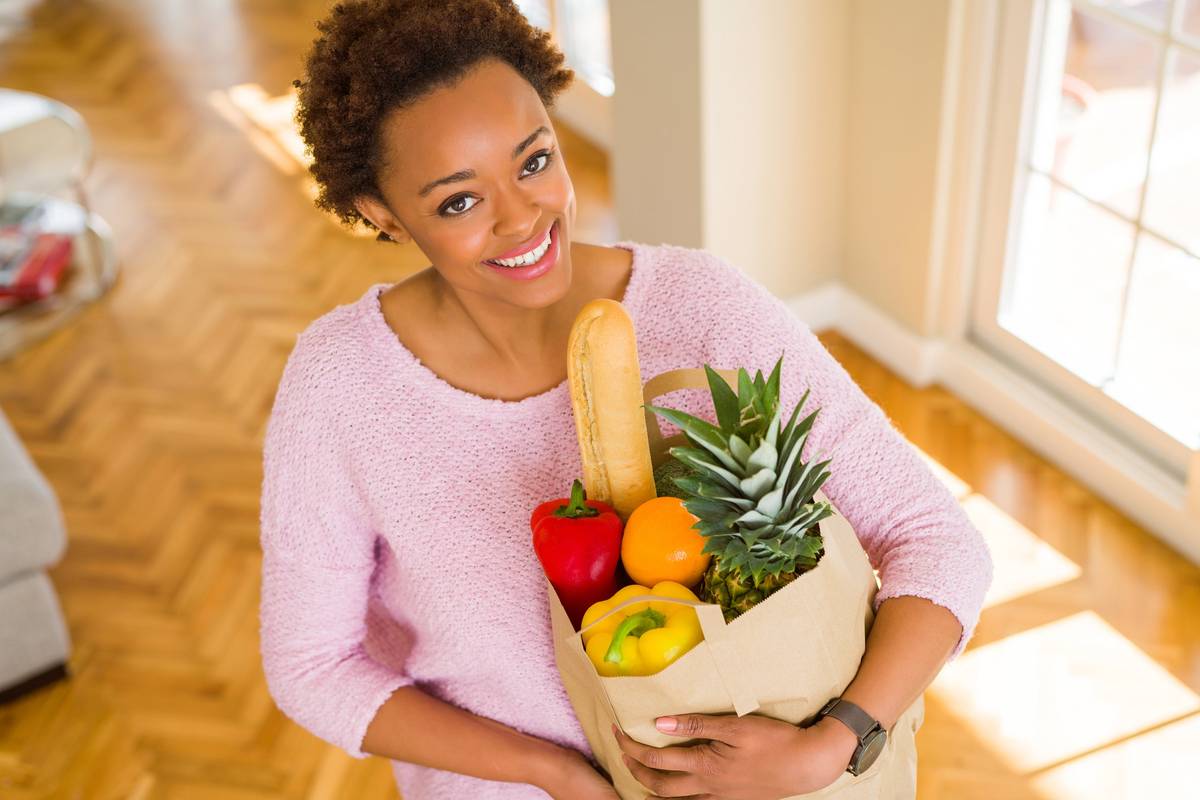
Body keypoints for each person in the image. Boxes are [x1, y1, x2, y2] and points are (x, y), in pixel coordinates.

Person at [258, 1, 994, 798]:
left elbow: (936, 539)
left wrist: (836, 741)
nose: (522, 218)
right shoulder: (341, 385)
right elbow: (313, 665)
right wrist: (560, 775)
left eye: (534, 160)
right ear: (382, 213)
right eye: (458, 201)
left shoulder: (703, 309)